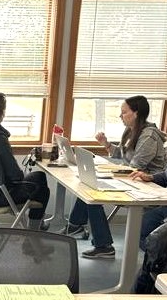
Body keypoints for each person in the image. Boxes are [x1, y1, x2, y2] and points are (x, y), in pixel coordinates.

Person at [61, 95, 166, 259]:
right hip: (131, 181)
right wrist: (106, 143)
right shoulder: (131, 130)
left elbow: (135, 166)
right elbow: (121, 156)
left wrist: (108, 173)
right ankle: (75, 226)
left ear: (136, 113)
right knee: (89, 184)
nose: (120, 116)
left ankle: (103, 245)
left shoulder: (149, 136)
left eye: (124, 112)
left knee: (94, 192)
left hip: (146, 188)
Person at [0, 92, 51, 231]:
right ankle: (33, 234)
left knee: (36, 181)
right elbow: (15, 176)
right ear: (2, 112)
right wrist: (21, 175)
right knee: (41, 181)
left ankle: (36, 230)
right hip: (0, 196)